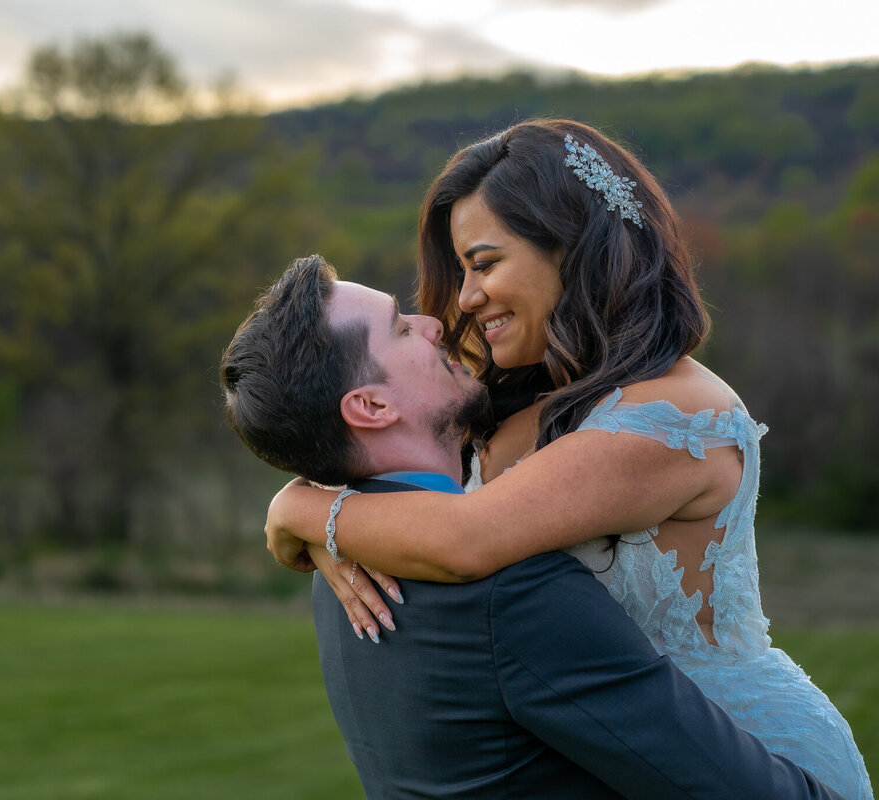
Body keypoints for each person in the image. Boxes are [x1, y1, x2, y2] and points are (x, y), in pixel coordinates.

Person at [263, 120, 872, 799]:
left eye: (485, 264)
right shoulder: (514, 406)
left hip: (749, 761)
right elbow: (412, 493)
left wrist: (301, 510)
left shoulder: (670, 416)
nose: (464, 299)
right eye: (461, 270)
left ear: (573, 250)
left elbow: (467, 538)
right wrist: (319, 522)